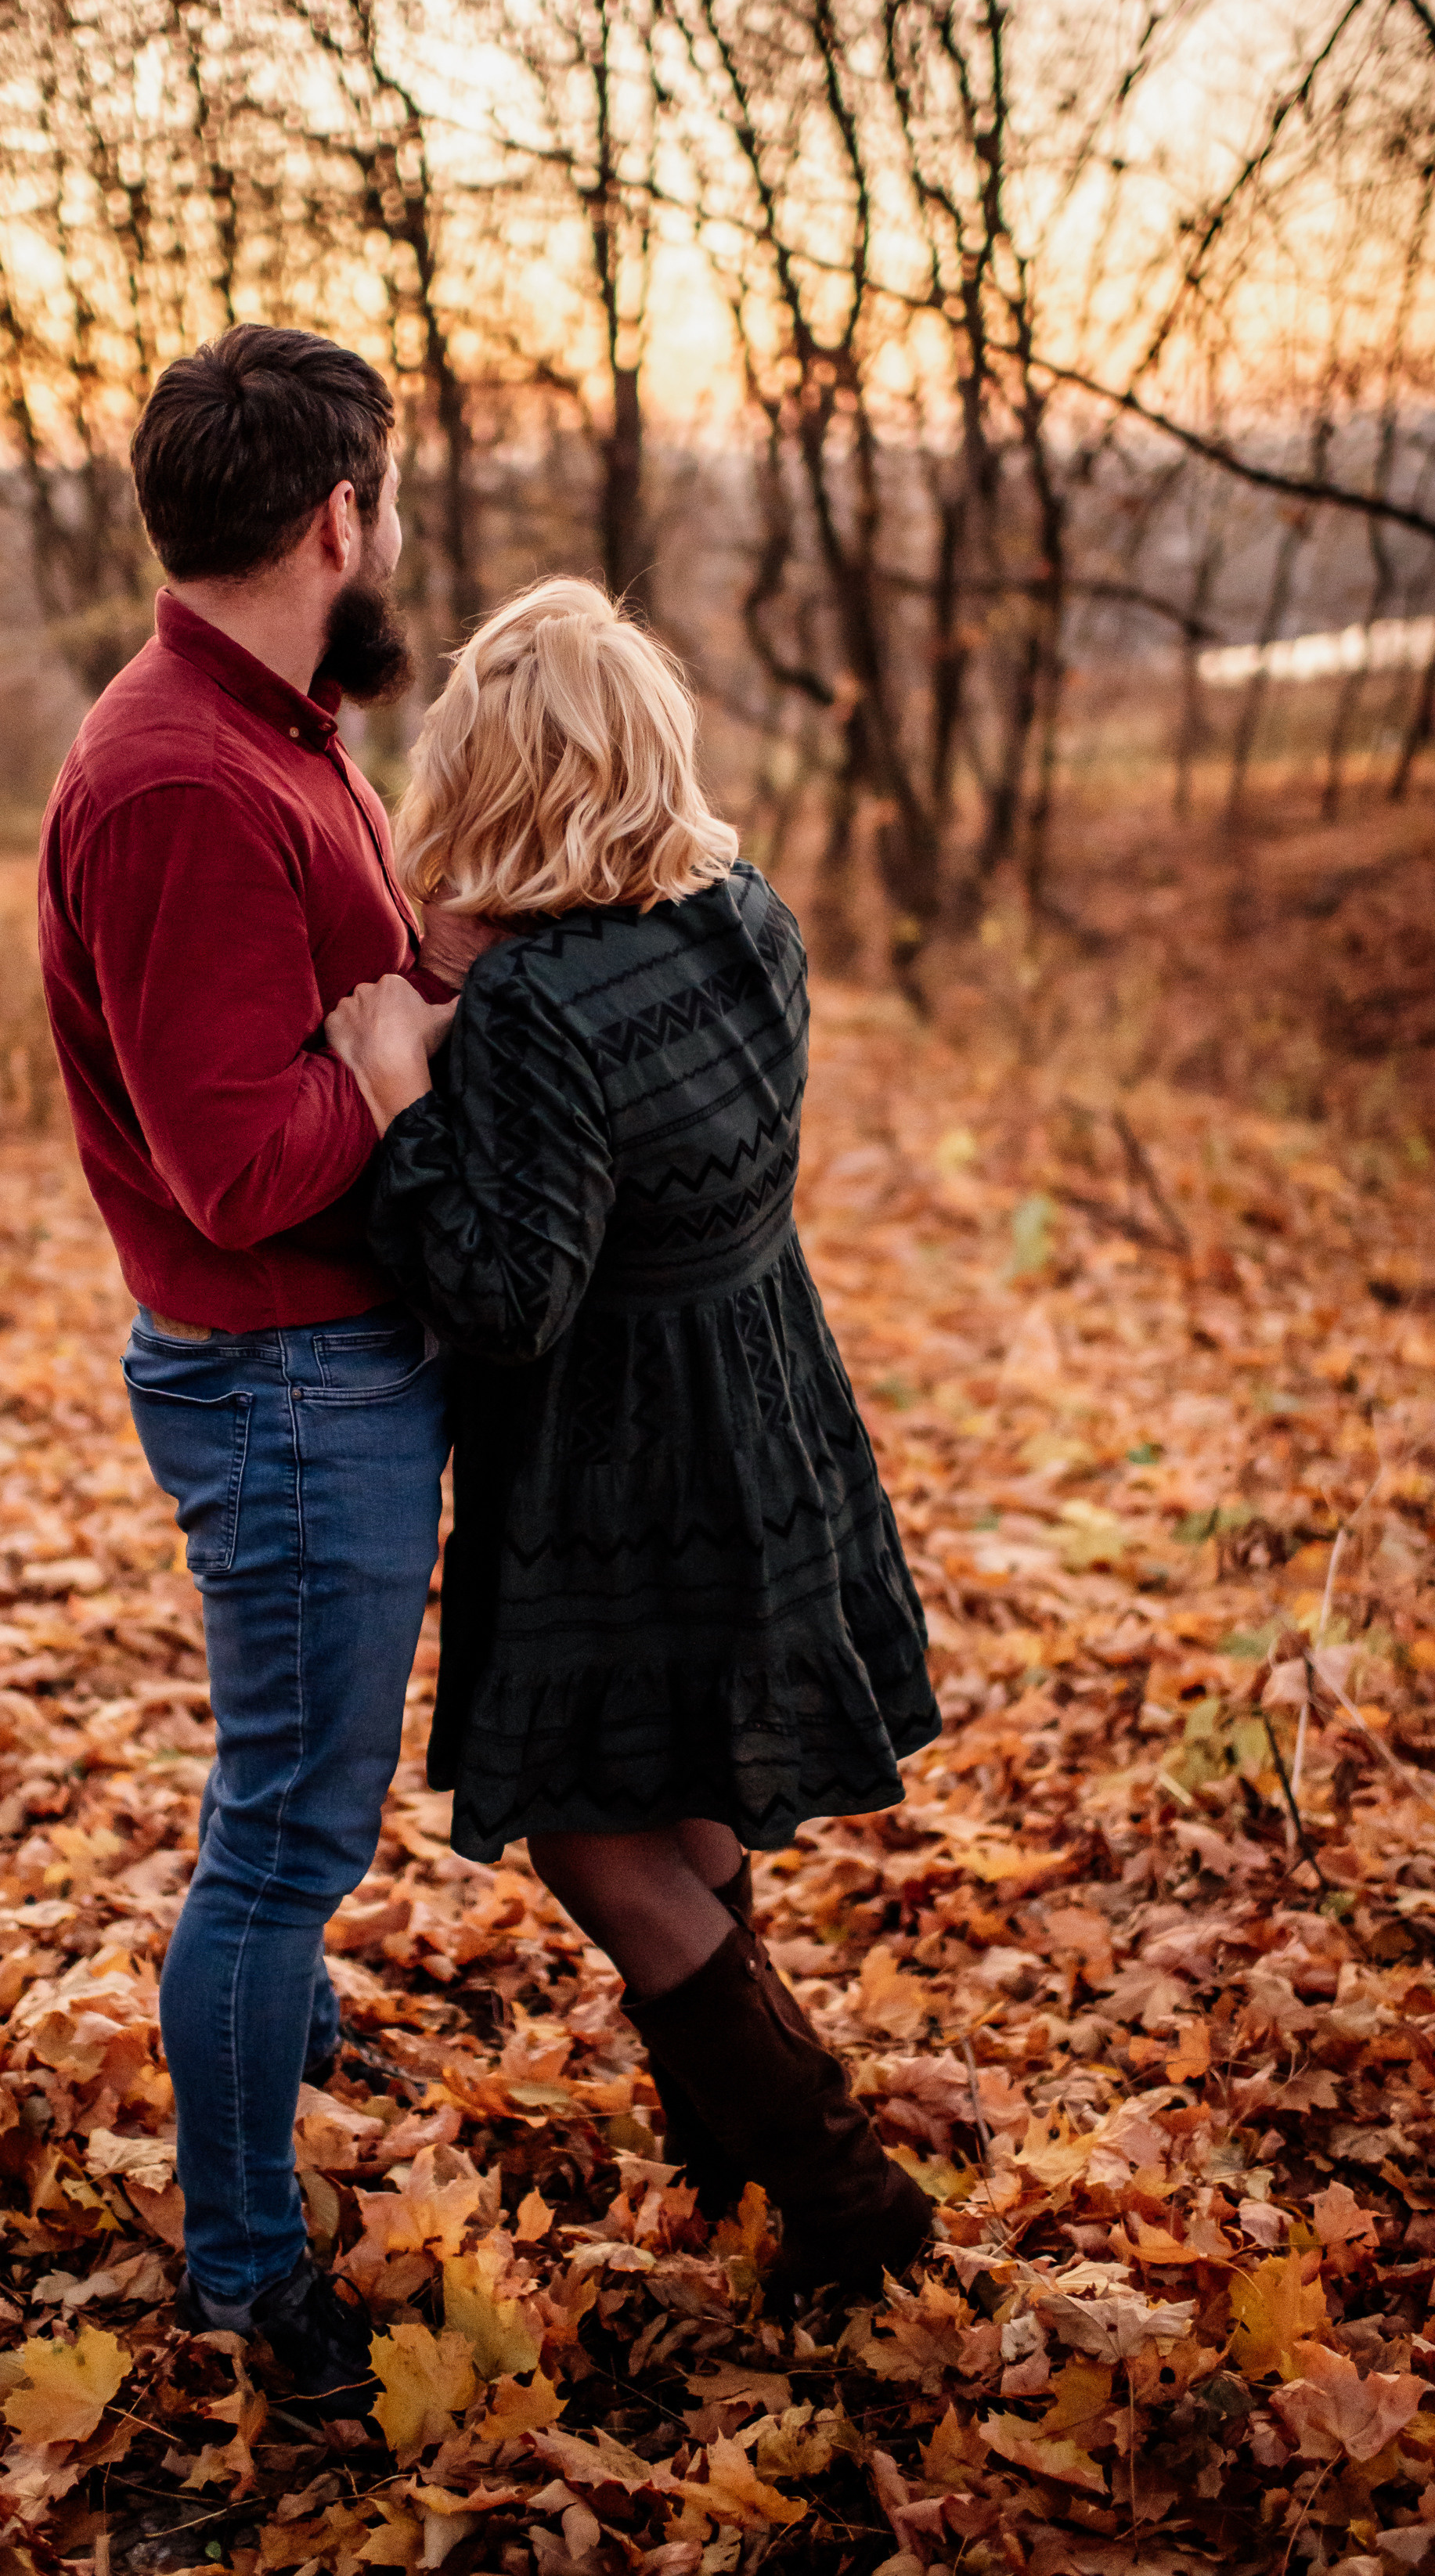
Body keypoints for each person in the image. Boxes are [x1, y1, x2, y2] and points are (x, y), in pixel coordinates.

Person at [325, 578, 940, 2294]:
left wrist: (398, 1083)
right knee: (683, 1782)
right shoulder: (742, 909)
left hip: (619, 1455)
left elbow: (506, 1291)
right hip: (764, 1397)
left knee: (602, 1829)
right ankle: (732, 2148)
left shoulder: (528, 1010)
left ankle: (841, 2193)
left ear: (499, 776)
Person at [37, 326, 457, 2418]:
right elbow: (229, 1161)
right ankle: (243, 2267)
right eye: (378, 498)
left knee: (285, 1799)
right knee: (288, 1837)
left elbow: (345, 973)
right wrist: (384, 1067)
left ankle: (271, 2030)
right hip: (285, 1378)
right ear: (337, 514)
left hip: (328, 1362)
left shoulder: (274, 728)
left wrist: (439, 963)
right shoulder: (188, 774)